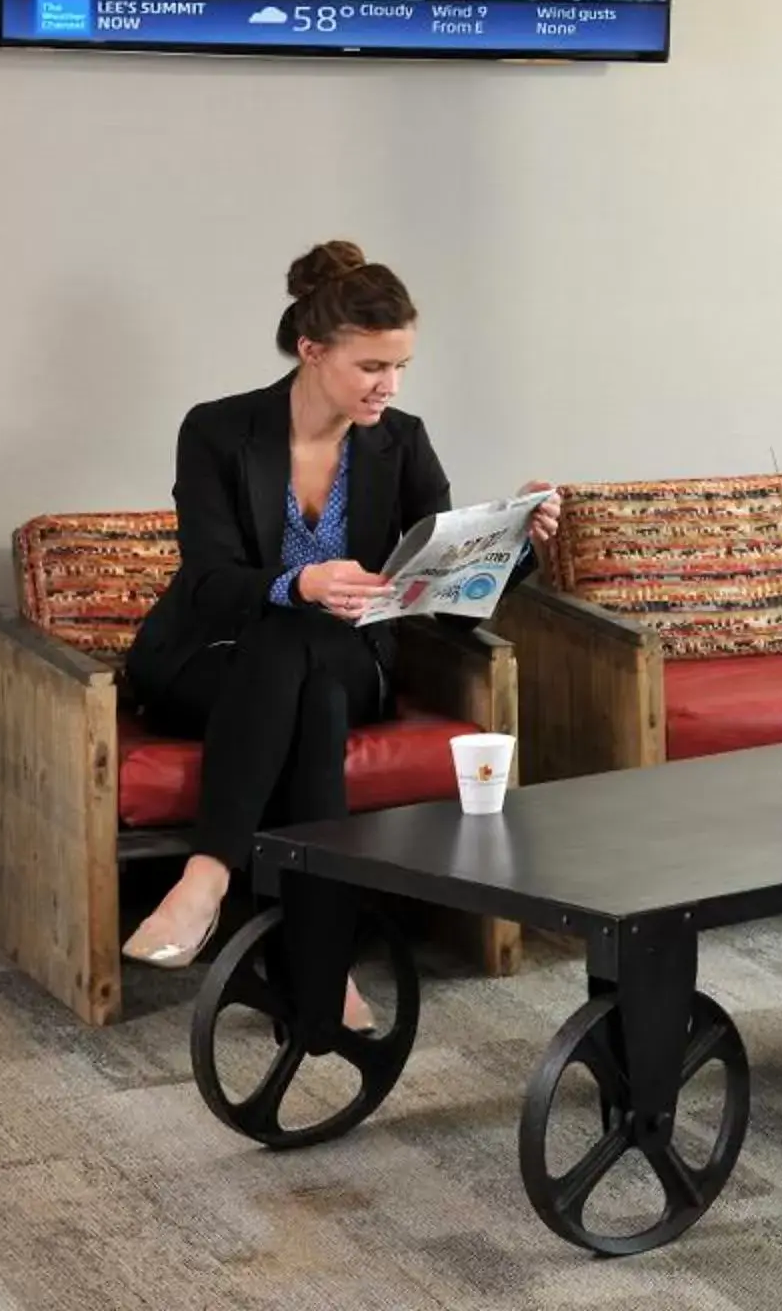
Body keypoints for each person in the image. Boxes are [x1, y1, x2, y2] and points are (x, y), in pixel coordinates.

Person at [117, 242, 559, 1022]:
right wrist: (299, 582)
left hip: (351, 662)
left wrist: (517, 541)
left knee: (312, 655)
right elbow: (213, 582)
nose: (388, 386)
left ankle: (208, 876)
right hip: (211, 661)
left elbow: (451, 600)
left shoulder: (401, 443)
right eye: (370, 367)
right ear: (312, 351)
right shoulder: (219, 432)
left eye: (400, 367)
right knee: (299, 652)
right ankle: (322, 966)